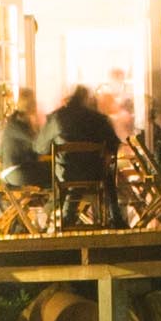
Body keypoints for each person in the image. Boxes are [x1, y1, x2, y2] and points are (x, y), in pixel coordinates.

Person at [47, 80, 119, 223]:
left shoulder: (57, 117)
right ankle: (115, 216)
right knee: (108, 175)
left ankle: (60, 215)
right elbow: (113, 143)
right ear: (88, 100)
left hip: (65, 173)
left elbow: (40, 147)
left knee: (54, 173)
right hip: (94, 173)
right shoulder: (98, 119)